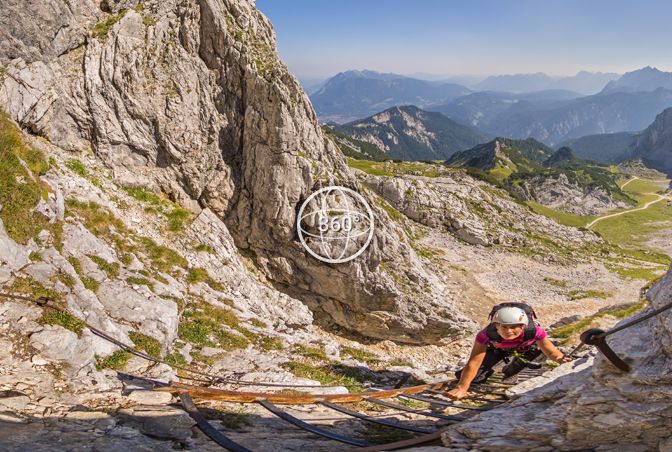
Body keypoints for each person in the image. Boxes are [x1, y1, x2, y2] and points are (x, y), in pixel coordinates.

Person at [446, 303, 572, 400]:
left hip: (526, 350)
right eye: (504, 327)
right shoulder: (485, 335)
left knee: (536, 354)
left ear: (523, 326)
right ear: (496, 326)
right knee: (475, 378)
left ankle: (511, 370)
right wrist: (462, 387)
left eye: (513, 327)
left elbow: (550, 352)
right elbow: (474, 361)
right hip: (498, 350)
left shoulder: (535, 332)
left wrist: (561, 359)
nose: (508, 331)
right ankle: (489, 372)